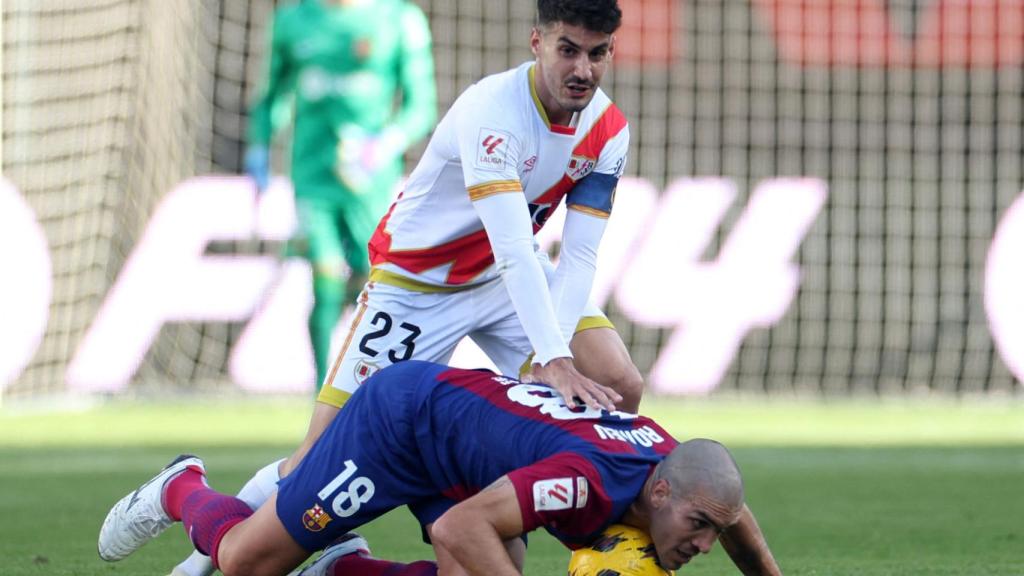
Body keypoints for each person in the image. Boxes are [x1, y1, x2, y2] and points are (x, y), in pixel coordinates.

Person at [171, 0, 644, 573]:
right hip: (418, 282)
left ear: (611, 52)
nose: (582, 70)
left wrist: (560, 354)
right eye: (568, 49)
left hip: (500, 279)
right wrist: (550, 356)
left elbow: (580, 254)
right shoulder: (493, 110)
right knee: (317, 456)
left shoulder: (608, 128)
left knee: (616, 381)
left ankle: (597, 547)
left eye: (597, 55)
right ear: (536, 42)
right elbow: (516, 247)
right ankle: (200, 545)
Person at [99, 361, 782, 576]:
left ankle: (339, 563)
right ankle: (180, 487)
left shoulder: (680, 476)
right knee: (248, 563)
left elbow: (733, 510)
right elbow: (459, 529)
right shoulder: (589, 483)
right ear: (659, 491)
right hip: (400, 429)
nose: (701, 545)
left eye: (708, 534)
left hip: (466, 450)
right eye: (696, 528)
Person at [244, 0, 438, 392]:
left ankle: (363, 385)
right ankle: (321, 396)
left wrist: (385, 144)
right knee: (326, 275)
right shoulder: (294, 19)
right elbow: (271, 96)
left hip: (371, 184)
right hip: (313, 179)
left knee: (372, 282)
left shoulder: (400, 20)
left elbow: (422, 107)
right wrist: (259, 148)